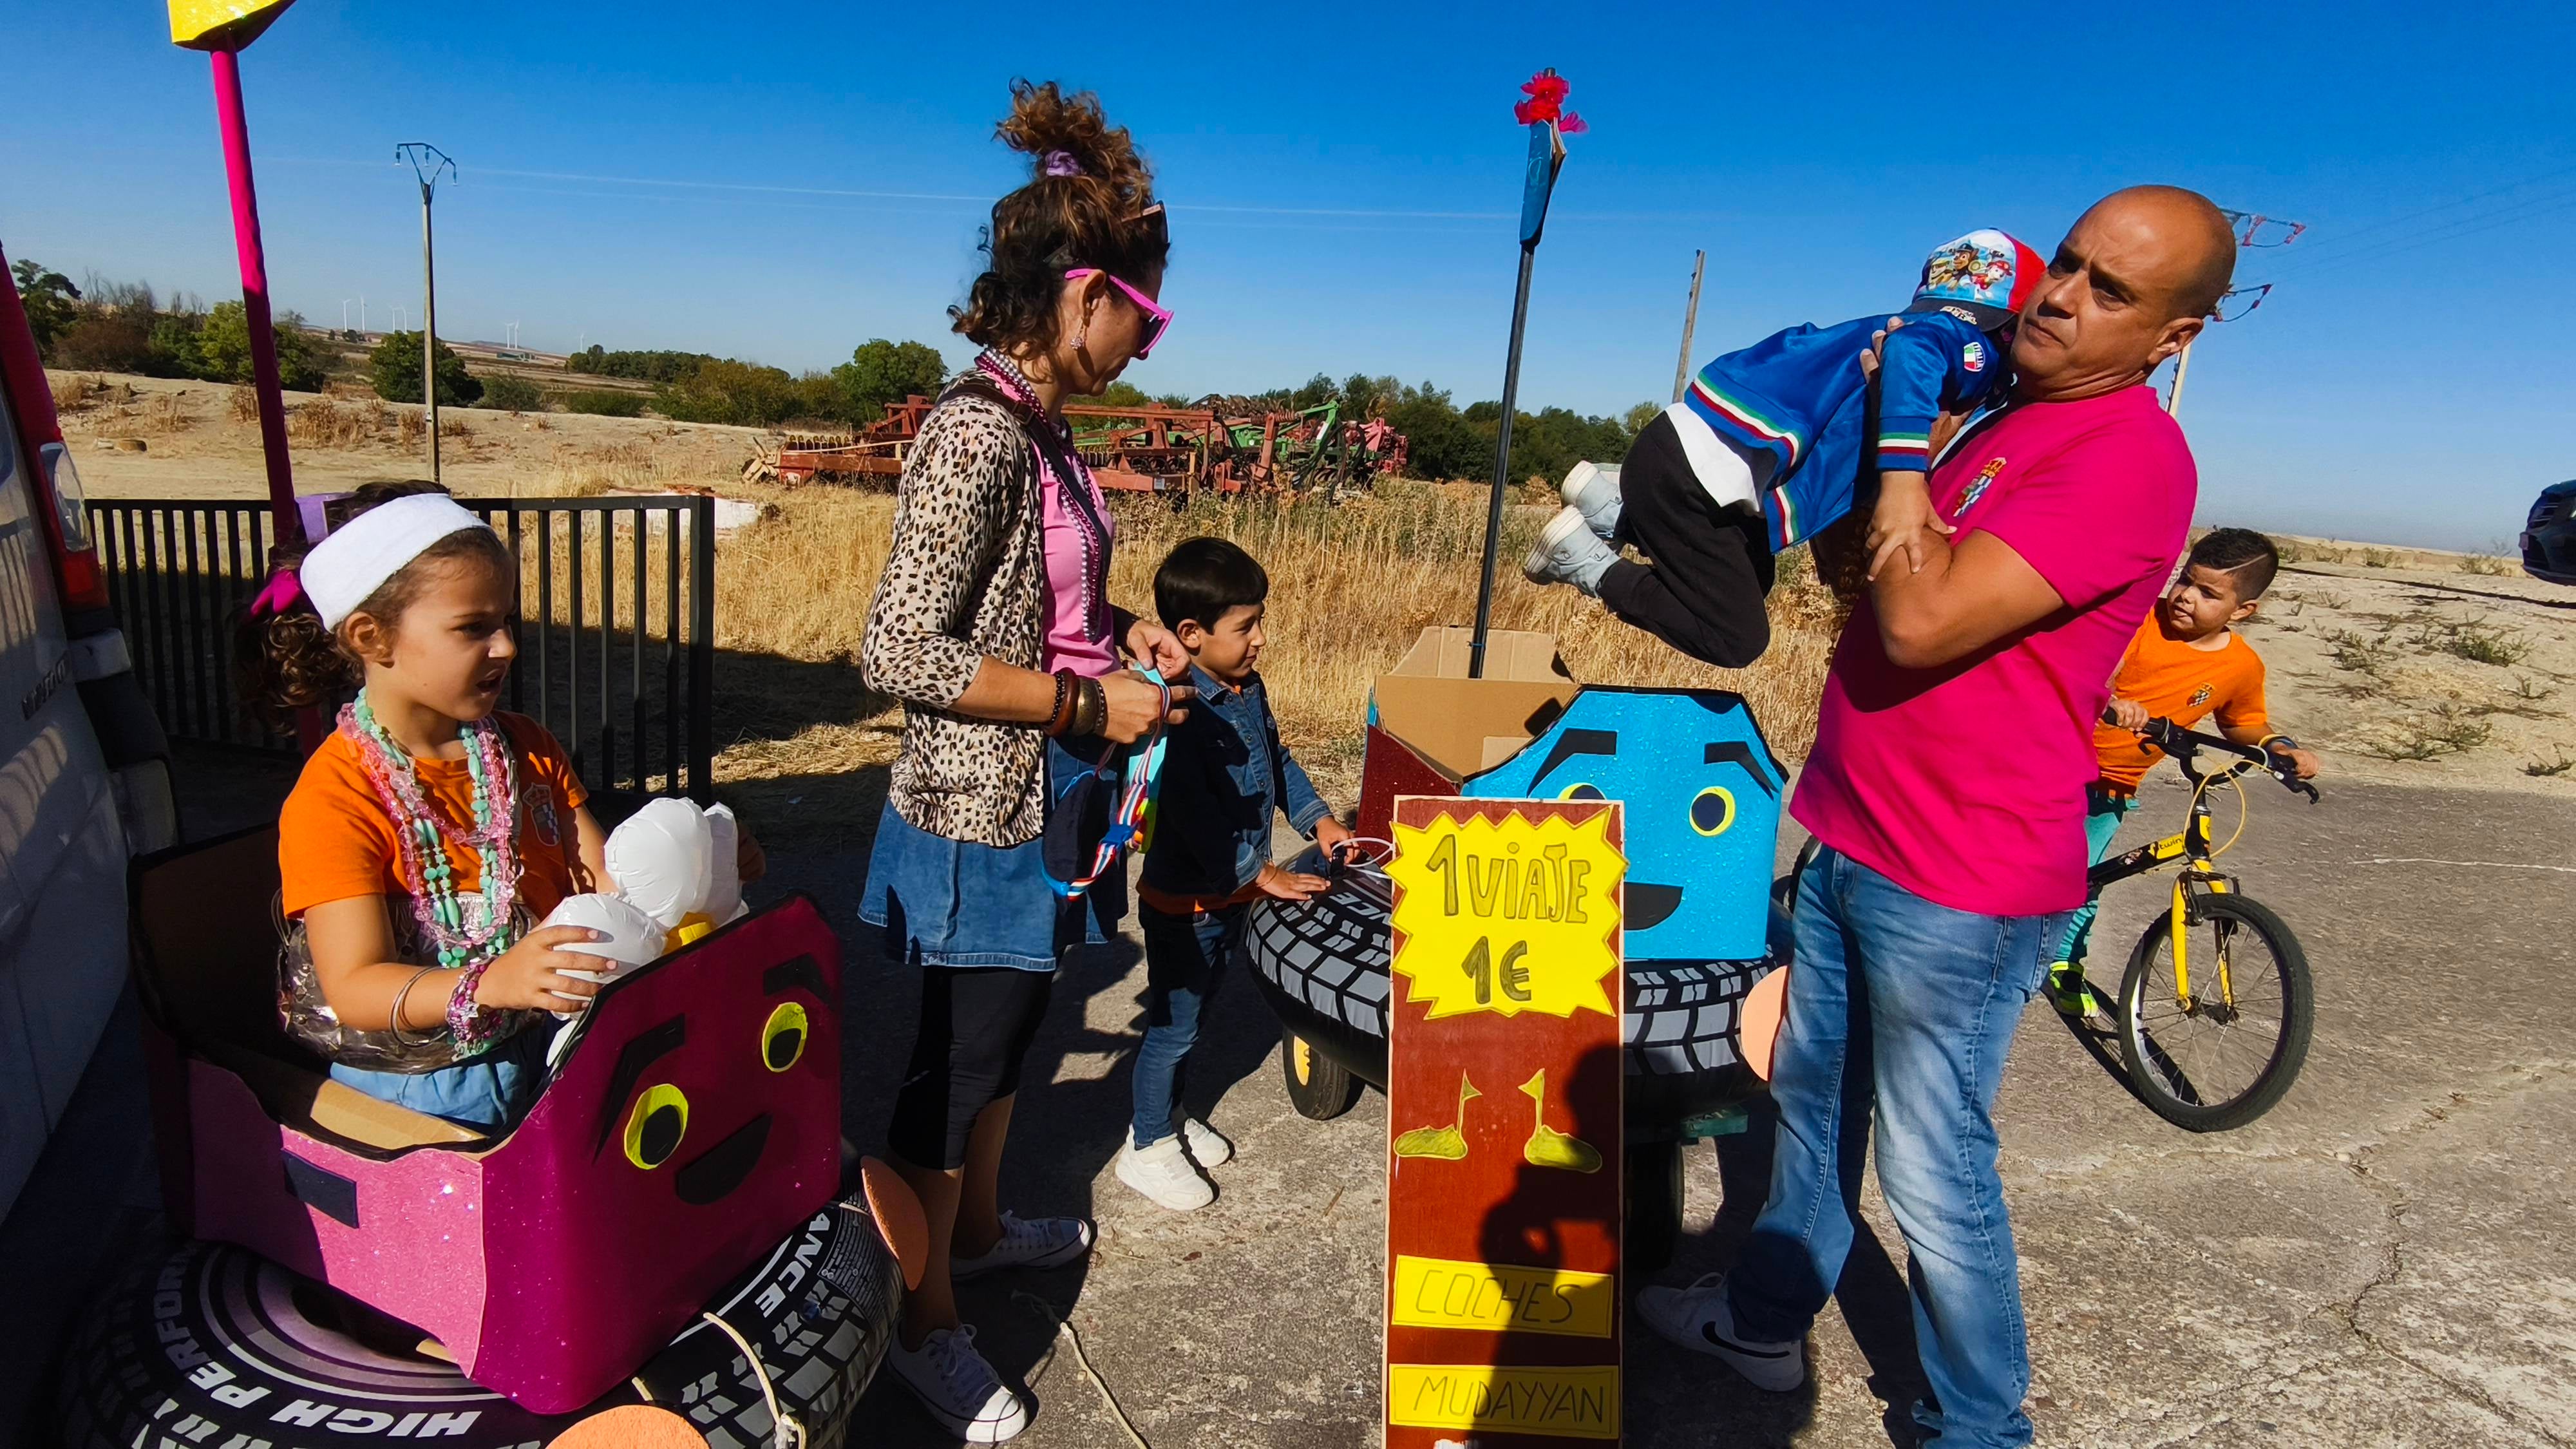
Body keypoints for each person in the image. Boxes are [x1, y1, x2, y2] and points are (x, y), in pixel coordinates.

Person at [1636, 186, 2243, 1449]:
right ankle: (1758, 1326)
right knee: (1802, 1107)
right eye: (2063, 266)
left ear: (2170, 338)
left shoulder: (2126, 458)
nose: (2061, 299)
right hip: (1858, 840)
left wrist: (1907, 436)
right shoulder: (2007, 420)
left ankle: (1977, 1426)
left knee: (1932, 1174)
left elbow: (1916, 623)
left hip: (1957, 883)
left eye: (2108, 291)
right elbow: (1864, 575)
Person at [855, 79, 1193, 1444]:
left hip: (1044, 799)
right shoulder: (973, 434)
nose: (1151, 342)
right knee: (949, 1066)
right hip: (975, 808)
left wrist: (1125, 640)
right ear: (1080, 294)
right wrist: (1076, 708)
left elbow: (1038, 613)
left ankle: (977, 1237)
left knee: (1011, 1041)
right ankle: (918, 1323)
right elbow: (896, 649)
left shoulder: (1045, 436)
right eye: (1146, 312)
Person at [237, 483, 614, 1131]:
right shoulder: (337, 795)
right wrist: (489, 983)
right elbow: (354, 986)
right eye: (474, 628)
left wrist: (690, 866)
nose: (506, 647)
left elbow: (604, 880)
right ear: (370, 636)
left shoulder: (528, 748)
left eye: (506, 622)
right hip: (424, 1093)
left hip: (553, 1045)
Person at [1521, 229, 2043, 667]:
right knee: (1734, 638)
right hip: (1689, 481)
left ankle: (1611, 510)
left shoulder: (1911, 325)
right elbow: (1914, 352)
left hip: (1674, 458)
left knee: (1753, 574)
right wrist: (1905, 481)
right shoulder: (1960, 342)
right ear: (2009, 325)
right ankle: (1589, 564)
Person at [1115, 537, 1353, 1211]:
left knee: (1196, 1015)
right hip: (1185, 902)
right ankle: (1147, 1144)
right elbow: (1191, 815)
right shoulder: (1181, 708)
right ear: (1190, 634)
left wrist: (1319, 820)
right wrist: (1263, 873)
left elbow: (1277, 761)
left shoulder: (1246, 691)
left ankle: (1168, 1114)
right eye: (1245, 627)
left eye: (1258, 623)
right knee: (1173, 1025)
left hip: (1229, 897)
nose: (1259, 640)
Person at [2047, 527, 2324, 1012]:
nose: (2185, 598)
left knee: (2086, 881)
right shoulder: (2138, 622)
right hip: (2054, 763)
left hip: (2113, 785)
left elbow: (2243, 722)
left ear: (2243, 611)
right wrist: (2112, 700)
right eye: (2185, 581)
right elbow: (2094, 668)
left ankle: (2065, 964)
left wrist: (2279, 746)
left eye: (2208, 593)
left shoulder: (2241, 665)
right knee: (2032, 866)